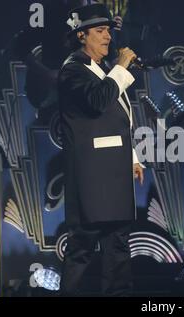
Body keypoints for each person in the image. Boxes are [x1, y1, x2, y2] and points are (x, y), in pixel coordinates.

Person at [58, 3, 144, 296]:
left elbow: (116, 121)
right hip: (91, 177)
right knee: (82, 245)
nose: (107, 36)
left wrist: (131, 158)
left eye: (108, 30)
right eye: (99, 31)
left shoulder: (101, 70)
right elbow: (97, 102)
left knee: (117, 245)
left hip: (113, 172)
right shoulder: (72, 71)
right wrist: (121, 68)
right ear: (82, 35)